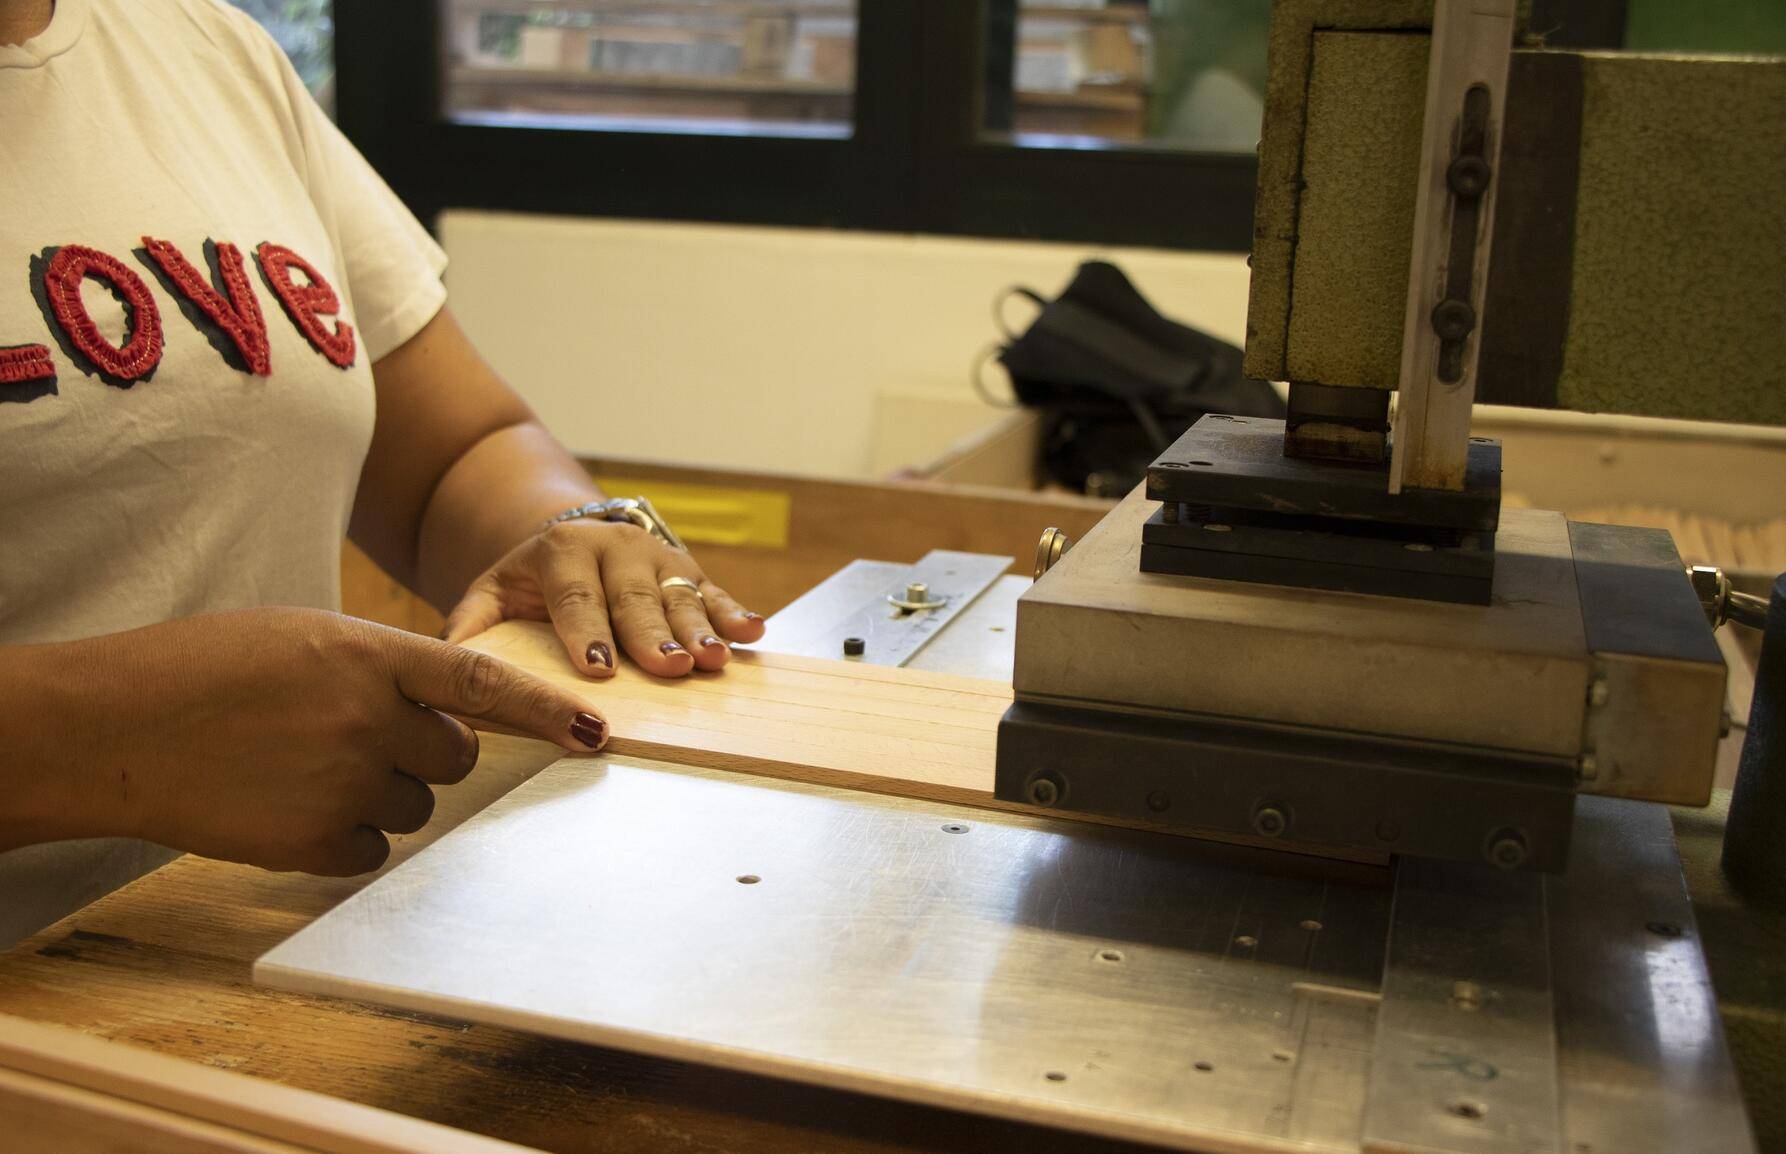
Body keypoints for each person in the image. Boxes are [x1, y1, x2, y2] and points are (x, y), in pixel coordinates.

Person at [0, 0, 765, 947]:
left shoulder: (204, 48)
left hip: (249, 950)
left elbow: (456, 453)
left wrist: (576, 544)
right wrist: (106, 737)